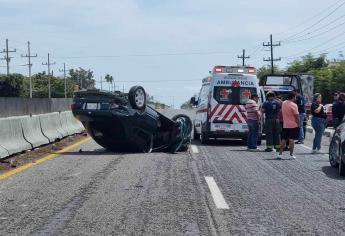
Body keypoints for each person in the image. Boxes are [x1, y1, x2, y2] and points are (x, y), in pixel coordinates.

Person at [278, 92, 299, 159]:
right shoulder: (294, 105)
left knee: (283, 139)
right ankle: (291, 154)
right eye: (295, 97)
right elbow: (296, 116)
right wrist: (298, 124)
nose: (296, 98)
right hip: (293, 124)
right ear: (293, 97)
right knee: (291, 140)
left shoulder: (283, 103)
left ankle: (280, 154)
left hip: (285, 124)